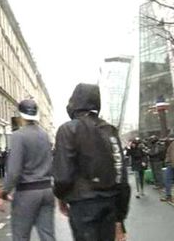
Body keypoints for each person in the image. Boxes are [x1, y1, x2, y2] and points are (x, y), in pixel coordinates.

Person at [52, 83, 130, 241]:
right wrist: (119, 219)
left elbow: (63, 176)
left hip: (83, 205)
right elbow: (121, 176)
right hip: (110, 204)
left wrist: (61, 196)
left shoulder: (68, 129)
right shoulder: (110, 131)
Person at [0, 99, 55, 241]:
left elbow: (14, 170)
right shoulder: (45, 135)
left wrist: (4, 192)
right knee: (48, 236)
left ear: (20, 116)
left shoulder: (18, 136)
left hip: (27, 193)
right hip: (47, 190)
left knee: (21, 236)